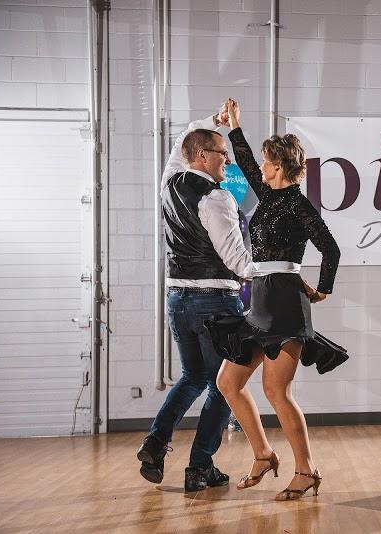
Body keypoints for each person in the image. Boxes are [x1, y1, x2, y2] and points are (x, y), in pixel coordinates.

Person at [210, 98, 343, 501]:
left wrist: (322, 290)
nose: (261, 168)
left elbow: (331, 249)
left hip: (285, 304)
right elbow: (246, 160)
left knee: (276, 391)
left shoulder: (300, 206)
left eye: (268, 163)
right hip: (260, 299)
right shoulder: (268, 196)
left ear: (281, 167)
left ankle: (306, 470)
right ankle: (264, 455)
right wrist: (235, 126)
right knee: (228, 382)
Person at [136, 104, 258, 492]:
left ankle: (155, 442)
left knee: (193, 376)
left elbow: (182, 142)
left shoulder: (169, 182)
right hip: (216, 303)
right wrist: (278, 271)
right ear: (202, 156)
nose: (227, 161)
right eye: (222, 154)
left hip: (178, 300)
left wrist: (214, 121)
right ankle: (200, 466)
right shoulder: (217, 198)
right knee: (224, 385)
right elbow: (237, 260)